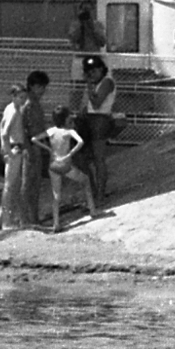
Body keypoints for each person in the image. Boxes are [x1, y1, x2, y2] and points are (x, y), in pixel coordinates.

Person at [35, 106, 98, 233]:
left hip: (53, 165)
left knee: (56, 195)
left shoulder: (51, 131)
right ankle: (93, 210)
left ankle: (56, 223)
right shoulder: (69, 132)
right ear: (65, 119)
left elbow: (34, 139)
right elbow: (80, 142)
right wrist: (70, 154)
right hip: (65, 165)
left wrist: (48, 149)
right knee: (85, 180)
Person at [80, 55, 116, 202]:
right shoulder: (94, 84)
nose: (92, 75)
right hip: (89, 119)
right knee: (85, 158)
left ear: (101, 69)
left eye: (94, 71)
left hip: (100, 119)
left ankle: (100, 193)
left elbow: (97, 103)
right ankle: (92, 192)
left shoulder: (107, 82)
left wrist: (89, 86)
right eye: (89, 72)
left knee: (99, 158)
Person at [0, 85, 31, 230]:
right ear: (14, 97)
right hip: (15, 148)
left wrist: (3, 147)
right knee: (10, 186)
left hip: (13, 147)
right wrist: (8, 152)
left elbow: (1, 125)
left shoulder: (9, 108)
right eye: (21, 97)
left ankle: (1, 219)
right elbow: (5, 132)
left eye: (24, 97)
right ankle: (6, 222)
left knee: (12, 185)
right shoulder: (15, 111)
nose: (23, 100)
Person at [21, 71, 50, 226]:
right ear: (32, 86)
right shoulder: (30, 105)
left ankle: (32, 217)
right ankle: (27, 219)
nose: (43, 90)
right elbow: (27, 129)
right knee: (29, 184)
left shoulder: (34, 103)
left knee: (34, 183)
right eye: (40, 86)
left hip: (36, 145)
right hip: (32, 147)